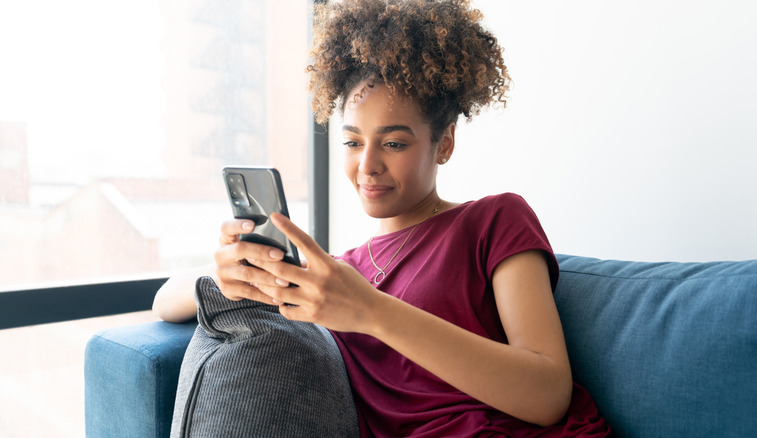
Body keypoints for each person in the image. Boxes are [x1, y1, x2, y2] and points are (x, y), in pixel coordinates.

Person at [153, 0, 611, 436]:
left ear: (445, 143)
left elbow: (549, 395)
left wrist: (370, 311)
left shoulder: (493, 220)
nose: (367, 165)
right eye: (353, 142)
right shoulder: (335, 277)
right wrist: (227, 268)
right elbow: (164, 301)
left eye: (393, 143)